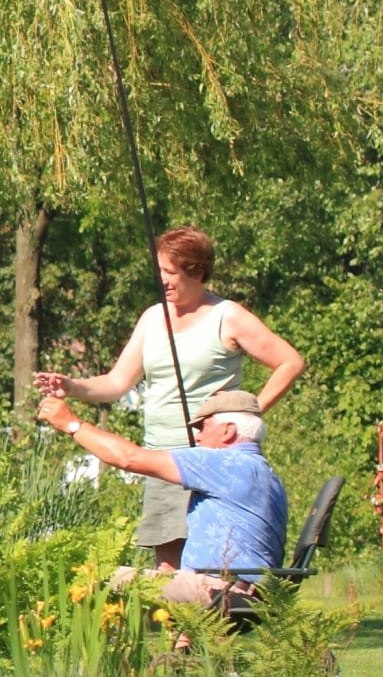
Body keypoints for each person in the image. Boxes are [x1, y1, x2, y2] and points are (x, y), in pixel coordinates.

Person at [38, 227, 304, 565]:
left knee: (214, 565)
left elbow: (290, 362)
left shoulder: (228, 316)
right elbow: (118, 382)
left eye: (169, 272)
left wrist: (248, 413)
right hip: (161, 458)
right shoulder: (153, 318)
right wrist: (72, 387)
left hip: (212, 458)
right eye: (159, 270)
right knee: (166, 569)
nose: (161, 280)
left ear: (195, 270)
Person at [37, 385, 290, 610]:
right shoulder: (266, 474)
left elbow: (129, 458)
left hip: (216, 590)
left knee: (89, 578)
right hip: (247, 592)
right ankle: (179, 660)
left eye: (203, 426)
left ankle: (104, 663)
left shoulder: (224, 463)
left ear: (227, 431)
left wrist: (71, 424)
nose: (198, 436)